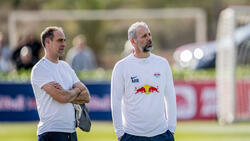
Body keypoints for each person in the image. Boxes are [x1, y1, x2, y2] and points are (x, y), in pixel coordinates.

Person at [111, 22, 177, 141]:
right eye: (144, 36)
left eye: (149, 34)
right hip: (132, 135)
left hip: (161, 134)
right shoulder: (121, 67)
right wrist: (119, 132)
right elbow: (115, 101)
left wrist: (171, 128)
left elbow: (170, 96)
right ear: (132, 42)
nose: (149, 38)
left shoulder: (162, 63)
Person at [31, 26, 90, 141]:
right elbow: (62, 97)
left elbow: (87, 96)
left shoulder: (65, 66)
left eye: (64, 40)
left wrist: (68, 94)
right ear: (47, 42)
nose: (63, 44)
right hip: (51, 132)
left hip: (71, 132)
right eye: (59, 40)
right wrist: (76, 91)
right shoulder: (40, 69)